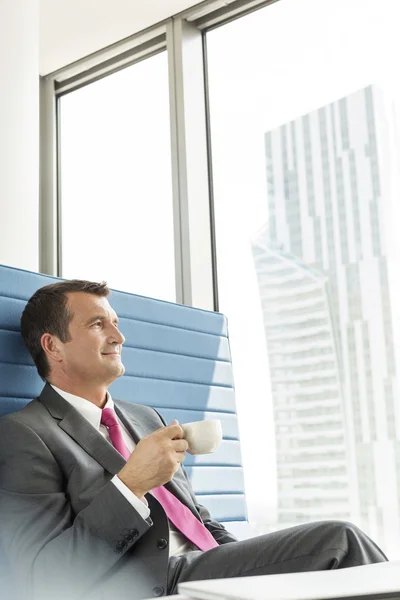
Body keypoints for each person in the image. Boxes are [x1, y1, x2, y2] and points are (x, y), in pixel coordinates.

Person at [0, 280, 388, 600]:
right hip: (144, 583)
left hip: (203, 571)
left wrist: (252, 569)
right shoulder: (24, 433)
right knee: (340, 541)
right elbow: (43, 577)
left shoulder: (143, 418)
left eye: (115, 322)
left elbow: (196, 519)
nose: (119, 335)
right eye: (98, 324)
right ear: (53, 346)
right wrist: (131, 484)